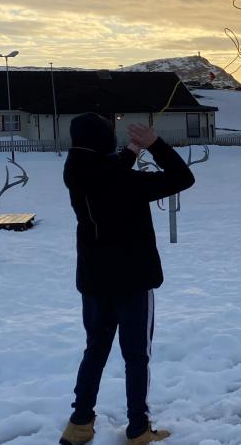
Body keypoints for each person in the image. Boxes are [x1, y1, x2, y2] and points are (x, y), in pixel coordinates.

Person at [59, 113, 194, 445]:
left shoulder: (77, 171)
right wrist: (154, 144)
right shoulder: (127, 182)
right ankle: (138, 428)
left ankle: (79, 424)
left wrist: (133, 151)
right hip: (133, 283)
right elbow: (182, 177)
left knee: (95, 351)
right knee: (136, 356)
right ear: (104, 141)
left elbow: (109, 168)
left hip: (94, 282)